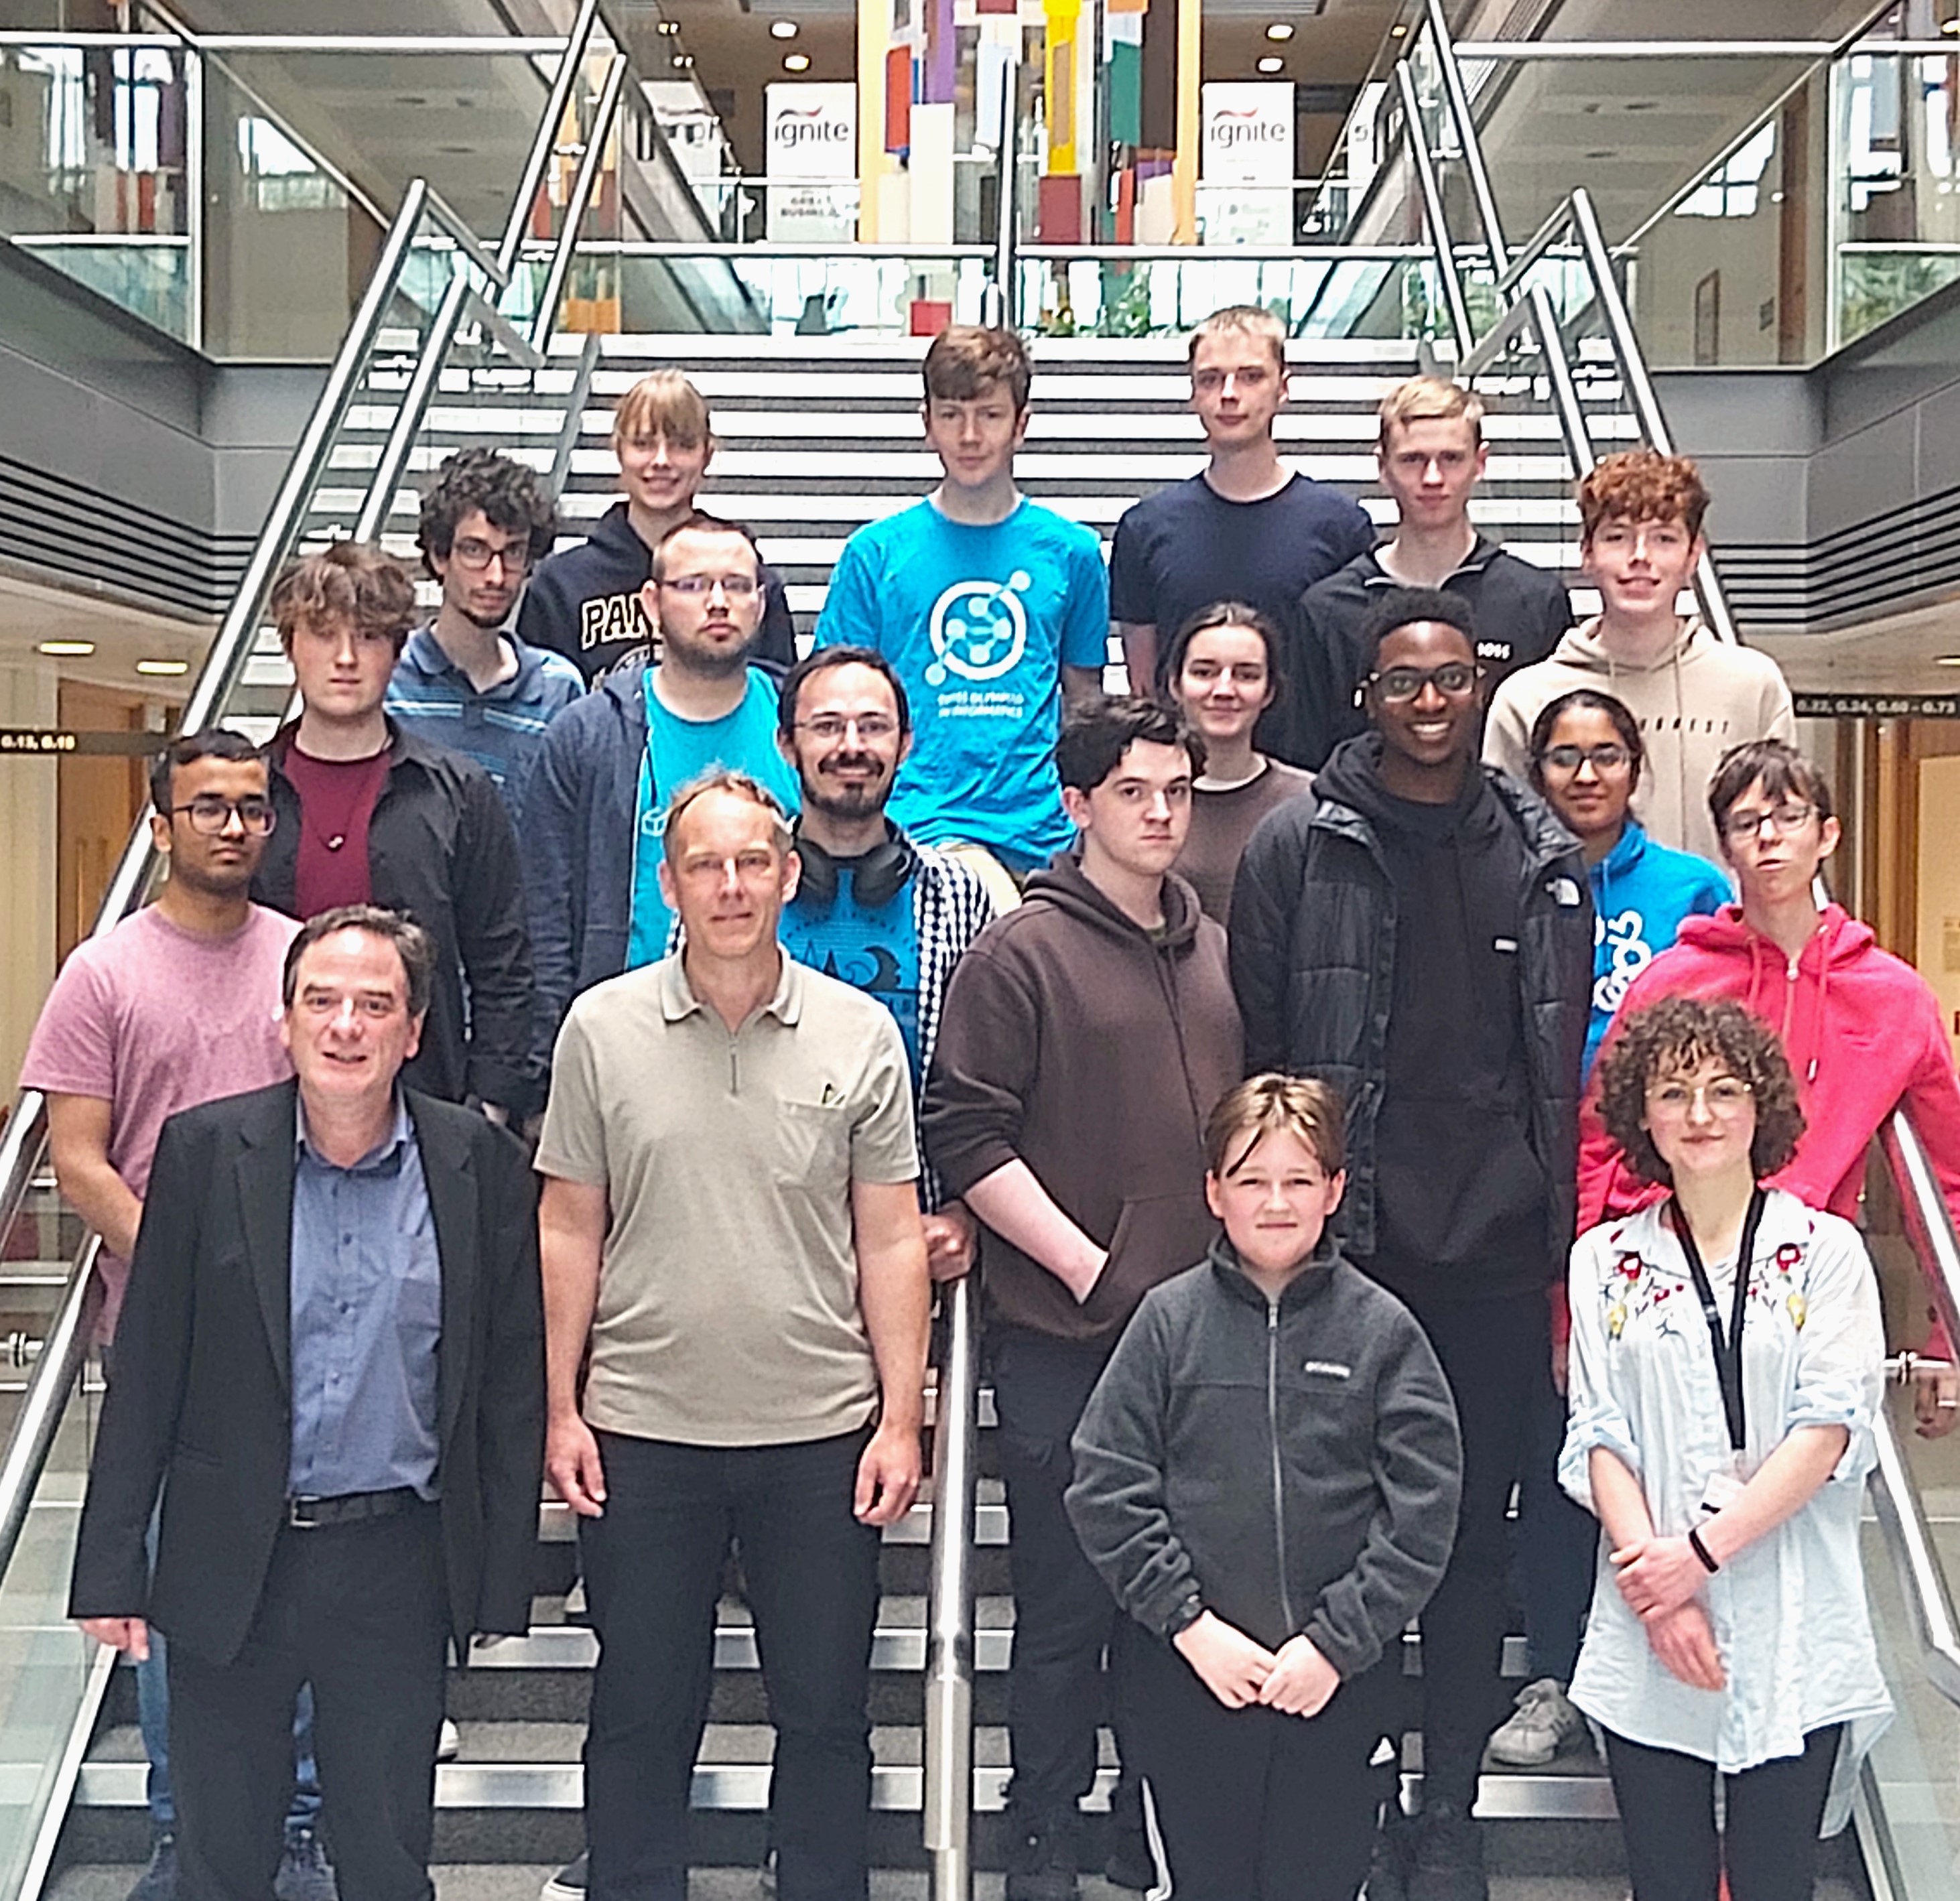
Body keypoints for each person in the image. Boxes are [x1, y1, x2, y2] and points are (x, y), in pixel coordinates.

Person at [1229, 587, 1592, 1901]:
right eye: (1402, 681)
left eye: (1449, 679)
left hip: (1495, 1252)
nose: (1428, 701)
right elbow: (1264, 1040)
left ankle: (1447, 1809)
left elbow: (1555, 1052)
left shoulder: (1544, 851)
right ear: (1363, 695)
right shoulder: (1298, 843)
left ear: (1479, 687)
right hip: (1356, 1255)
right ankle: (1363, 1797)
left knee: (1471, 1543)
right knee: (1351, 1539)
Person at [69, 907, 545, 1901]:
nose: (345, 1026)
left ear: (413, 1030)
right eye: (320, 1001)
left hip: (396, 1559)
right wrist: (111, 1562)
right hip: (232, 1554)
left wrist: (500, 1574)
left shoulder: (478, 1165)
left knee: (385, 1856)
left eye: (375, 1005)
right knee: (220, 1856)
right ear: (282, 1021)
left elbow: (508, 1382)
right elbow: (148, 1365)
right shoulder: (204, 1153)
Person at [535, 771, 930, 1901]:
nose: (731, 885)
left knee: (826, 1711)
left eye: (753, 862)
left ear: (789, 875)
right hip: (641, 1429)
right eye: (704, 865)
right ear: (668, 885)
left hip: (819, 1433)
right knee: (640, 1707)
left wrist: (901, 1418)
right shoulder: (599, 1029)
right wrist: (560, 1407)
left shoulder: (859, 1032)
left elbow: (892, 1238)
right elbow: (567, 1224)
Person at [924, 696, 1244, 1900]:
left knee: (1179, 1602)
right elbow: (965, 1129)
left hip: (1200, 1339)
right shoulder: (1022, 953)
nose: (1160, 813)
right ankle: (1040, 1835)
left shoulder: (1213, 947)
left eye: (1177, 792)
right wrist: (1083, 1264)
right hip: (1070, 1338)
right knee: (1065, 1610)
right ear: (1077, 804)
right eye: (1133, 792)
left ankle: (1140, 1822)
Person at [20, 730, 324, 1901]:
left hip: (309, 1337)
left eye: (251, 807)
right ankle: (180, 1829)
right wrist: (199, 1266)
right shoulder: (102, 974)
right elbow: (79, 1160)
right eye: (207, 807)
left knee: (307, 1590)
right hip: (166, 1341)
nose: (233, 826)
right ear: (161, 827)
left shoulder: (304, 960)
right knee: (178, 1602)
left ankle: (300, 1827)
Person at [1066, 1074, 1463, 1901]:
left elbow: (1422, 1512)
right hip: (1191, 1683)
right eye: (1252, 1180)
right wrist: (1188, 1623)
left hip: (1336, 1690)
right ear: (1214, 1192)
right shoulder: (1166, 1322)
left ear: (1335, 1189)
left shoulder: (1385, 1331)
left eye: (1298, 1180)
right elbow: (1107, 1483)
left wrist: (1337, 1644)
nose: (1276, 1203)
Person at [1563, 996, 1892, 1901]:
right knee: (1662, 1879)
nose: (1700, 1113)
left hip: (1793, 1611)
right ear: (1642, 1116)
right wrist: (1659, 1589)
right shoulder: (1603, 1260)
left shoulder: (1826, 1252)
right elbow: (1597, 1432)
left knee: (1776, 1880)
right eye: (1673, 1093)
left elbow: (1828, 1428)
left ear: (1761, 1105)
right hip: (1651, 1619)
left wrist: (1698, 1557)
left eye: (1722, 1089)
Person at [1484, 690, 1732, 1772]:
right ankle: (1557, 1670)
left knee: (1668, 1453)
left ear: (1637, 768)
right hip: (1527, 1197)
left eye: (1605, 755)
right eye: (1563, 757)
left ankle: (1677, 1668)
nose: (1585, 775)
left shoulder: (1692, 890)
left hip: (1658, 1206)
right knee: (1561, 1452)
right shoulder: (1504, 876)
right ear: (1533, 771)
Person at [1577, 738, 1960, 1431]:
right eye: (1746, 822)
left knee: (1814, 1477)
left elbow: (1948, 1173)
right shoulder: (1672, 981)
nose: (1769, 837)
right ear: (1725, 846)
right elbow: (1600, 1144)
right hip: (1665, 1272)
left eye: (1788, 816)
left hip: (1806, 1276)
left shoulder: (1893, 997)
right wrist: (1572, 1311)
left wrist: (1947, 1335)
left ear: (1827, 835)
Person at [814, 324, 1108, 911]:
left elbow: (1084, 703)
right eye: (951, 415)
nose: (970, 436)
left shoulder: (1072, 553)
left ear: (1021, 424)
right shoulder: (875, 554)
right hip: (915, 827)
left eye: (989, 416)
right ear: (927, 423)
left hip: (1041, 833)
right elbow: (831, 695)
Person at [254, 542, 535, 1122]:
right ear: (290, 646)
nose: (346, 658)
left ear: (397, 650)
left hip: (428, 1107)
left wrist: (487, 1108)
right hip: (264, 1106)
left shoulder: (458, 792)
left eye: (368, 637)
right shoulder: (249, 794)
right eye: (323, 635)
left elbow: (502, 963)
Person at [521, 513, 802, 1077]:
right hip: (627, 1047)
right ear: (651, 603)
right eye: (693, 585)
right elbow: (545, 918)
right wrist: (548, 1064)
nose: (717, 603)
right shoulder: (587, 735)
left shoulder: (802, 723)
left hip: (783, 1034)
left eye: (736, 585)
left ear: (761, 603)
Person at [774, 645, 995, 1277]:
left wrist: (965, 1212)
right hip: (765, 1241)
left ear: (905, 745)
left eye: (872, 726)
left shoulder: (958, 895)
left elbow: (991, 1084)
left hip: (914, 1242)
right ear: (786, 745)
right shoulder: (735, 890)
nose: (852, 746)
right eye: (827, 726)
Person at [1484, 449, 1795, 865]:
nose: (1640, 557)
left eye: (1664, 539)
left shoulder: (1752, 686)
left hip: (1720, 908)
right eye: (1618, 537)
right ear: (1587, 553)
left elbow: (1783, 838)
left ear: (1694, 554)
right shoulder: (1525, 698)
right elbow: (1500, 851)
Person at [1290, 377, 1573, 771]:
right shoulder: (1328, 611)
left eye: (1451, 459)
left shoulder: (1536, 601)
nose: (1433, 479)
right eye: (1413, 460)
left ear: (1480, 463)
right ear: (1382, 467)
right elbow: (1305, 760)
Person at [1108, 304, 1374, 698]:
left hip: (1308, 740)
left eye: (1251, 377)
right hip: (1183, 738)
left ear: (1283, 387)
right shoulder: (1145, 529)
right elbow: (1144, 690)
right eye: (1211, 379)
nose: (1229, 394)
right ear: (1193, 392)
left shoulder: (1341, 526)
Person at [517, 367, 796, 681]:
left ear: (707, 455)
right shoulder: (560, 585)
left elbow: (779, 694)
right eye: (643, 444)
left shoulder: (748, 583)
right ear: (619, 451)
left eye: (681, 445)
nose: (661, 461)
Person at [384, 446, 584, 817]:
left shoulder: (558, 688)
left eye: (513, 552)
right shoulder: (389, 679)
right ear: (440, 555)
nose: (496, 575)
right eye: (475, 551)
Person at [1161, 601, 1314, 924]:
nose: (1224, 690)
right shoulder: (1136, 799)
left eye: (1246, 675)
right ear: (1175, 684)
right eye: (1204, 672)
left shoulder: (1308, 803)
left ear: (1269, 691)